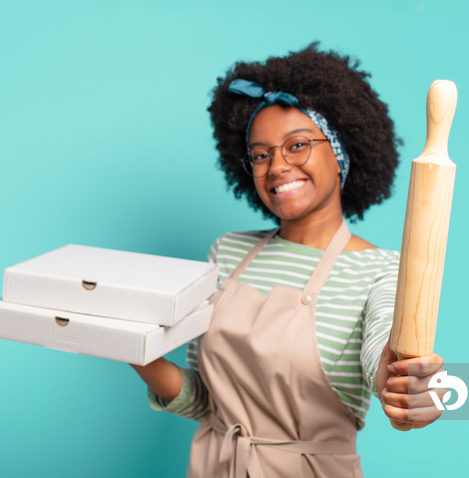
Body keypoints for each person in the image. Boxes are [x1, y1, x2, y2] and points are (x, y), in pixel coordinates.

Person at [131, 43, 445, 477]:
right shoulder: (227, 251)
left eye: (297, 145)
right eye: (260, 154)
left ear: (341, 152)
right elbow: (205, 400)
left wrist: (407, 388)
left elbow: (384, 358)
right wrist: (131, 347)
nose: (277, 166)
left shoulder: (379, 269)